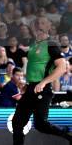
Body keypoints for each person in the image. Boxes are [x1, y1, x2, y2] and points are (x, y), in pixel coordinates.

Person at [11, 16, 71, 144]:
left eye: (43, 23)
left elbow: (62, 67)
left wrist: (43, 82)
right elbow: (36, 66)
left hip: (42, 90)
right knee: (17, 123)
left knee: (40, 124)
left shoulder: (51, 44)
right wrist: (28, 83)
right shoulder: (34, 44)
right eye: (37, 23)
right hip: (31, 88)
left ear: (49, 27)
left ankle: (68, 135)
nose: (39, 25)